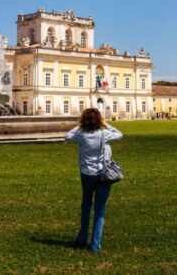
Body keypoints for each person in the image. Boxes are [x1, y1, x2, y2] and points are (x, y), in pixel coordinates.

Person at [64, 108, 123, 252]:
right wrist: (106, 123)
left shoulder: (81, 136)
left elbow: (67, 136)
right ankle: (95, 244)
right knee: (99, 209)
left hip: (87, 175)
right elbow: (120, 135)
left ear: (84, 120)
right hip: (104, 175)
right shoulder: (104, 134)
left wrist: (79, 125)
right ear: (99, 121)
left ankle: (82, 237)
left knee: (86, 204)